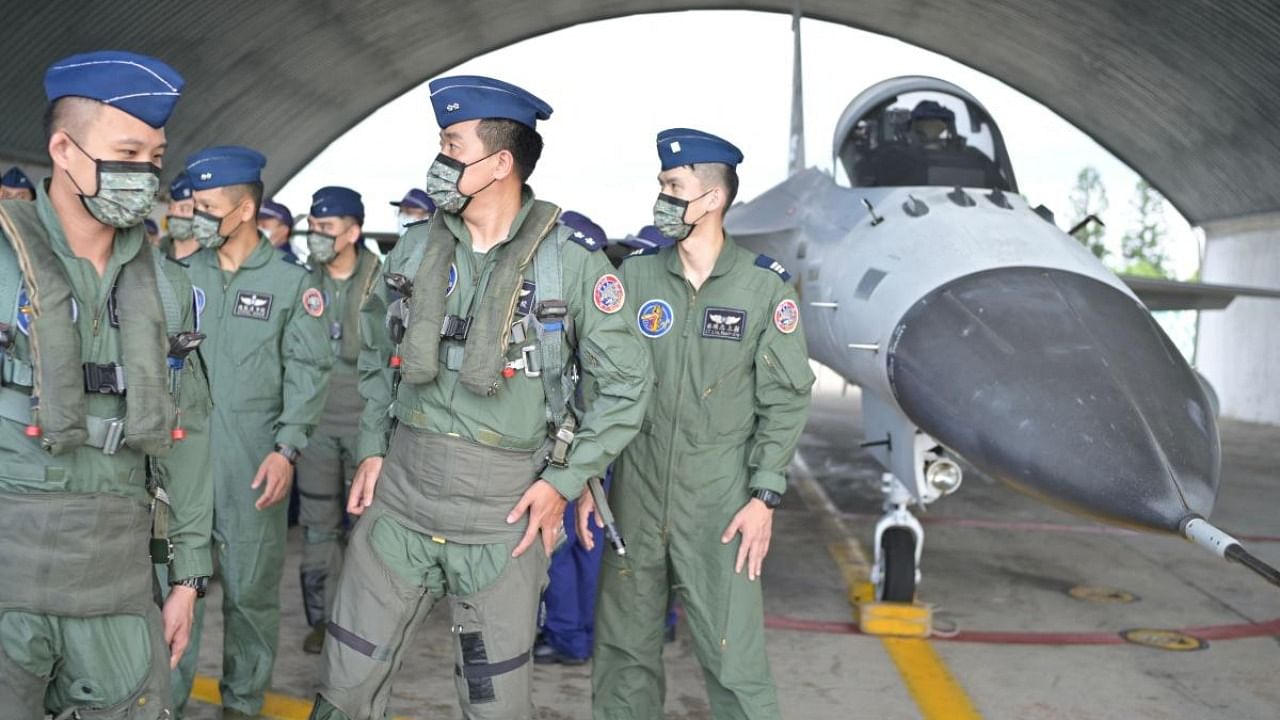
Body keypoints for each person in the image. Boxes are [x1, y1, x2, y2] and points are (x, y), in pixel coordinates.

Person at [310, 74, 651, 720]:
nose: (439, 162)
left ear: (499, 164)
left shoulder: (570, 268)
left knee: (495, 705)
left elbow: (627, 386)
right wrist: (374, 450)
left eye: (451, 145)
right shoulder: (414, 250)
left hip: (502, 523)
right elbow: (378, 360)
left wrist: (565, 479)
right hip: (401, 506)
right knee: (343, 687)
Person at [0, 49, 213, 719]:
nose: (145, 174)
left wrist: (187, 578)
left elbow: (191, 436)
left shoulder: (169, 286)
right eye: (126, 151)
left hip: (118, 588)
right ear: (63, 149)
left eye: (154, 156)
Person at [587, 128, 816, 720]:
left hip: (720, 503)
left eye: (672, 186)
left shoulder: (763, 288)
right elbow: (600, 384)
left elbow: (787, 399)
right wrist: (587, 477)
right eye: (662, 184)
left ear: (711, 199)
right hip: (634, 497)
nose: (660, 197)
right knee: (623, 655)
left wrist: (764, 496)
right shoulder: (633, 280)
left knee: (733, 659)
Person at [173, 145, 334, 719]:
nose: (195, 214)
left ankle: (241, 707)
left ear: (242, 211)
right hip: (180, 465)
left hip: (253, 467)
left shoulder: (291, 286)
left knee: (249, 600)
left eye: (208, 205)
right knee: (175, 593)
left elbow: (309, 373)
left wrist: (286, 449)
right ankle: (165, 705)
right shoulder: (178, 277)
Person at [296, 185, 382, 655]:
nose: (316, 237)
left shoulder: (383, 282)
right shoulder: (302, 281)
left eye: (325, 229)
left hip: (366, 421)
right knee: (316, 524)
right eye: (313, 228)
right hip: (316, 422)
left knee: (366, 527)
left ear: (352, 232)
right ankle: (320, 620)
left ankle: (362, 618)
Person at [163, 171, 199, 259]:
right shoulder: (155, 253)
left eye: (185, 208)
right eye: (171, 207)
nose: (175, 213)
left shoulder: (216, 260)